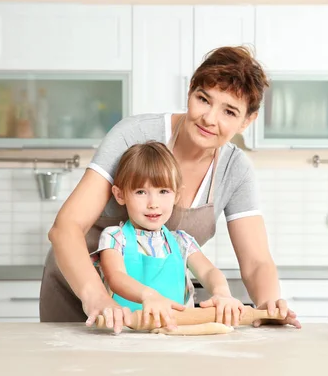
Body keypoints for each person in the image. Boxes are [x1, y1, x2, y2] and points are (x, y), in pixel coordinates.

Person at [40, 45, 301, 334]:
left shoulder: (235, 170)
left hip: (158, 313)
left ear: (247, 120)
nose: (210, 119)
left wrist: (269, 305)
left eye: (229, 111)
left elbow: (256, 262)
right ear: (190, 90)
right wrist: (98, 298)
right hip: (84, 293)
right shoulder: (134, 136)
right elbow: (66, 228)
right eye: (203, 99)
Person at [91, 141, 245, 330]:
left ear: (176, 195)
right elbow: (116, 277)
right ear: (120, 195)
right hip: (126, 337)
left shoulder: (181, 242)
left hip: (176, 337)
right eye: (141, 192)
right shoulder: (115, 238)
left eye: (163, 191)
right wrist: (149, 296)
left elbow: (208, 272)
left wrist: (222, 293)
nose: (153, 203)